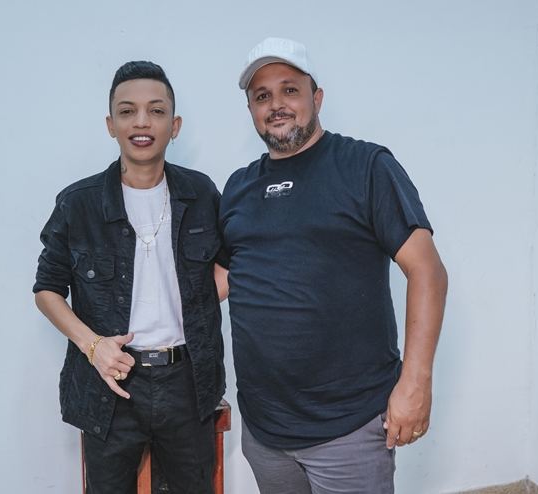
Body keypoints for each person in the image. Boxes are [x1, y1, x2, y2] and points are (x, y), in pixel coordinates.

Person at [216, 38, 448, 494]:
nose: (276, 105)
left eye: (290, 90)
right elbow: (223, 279)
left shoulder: (365, 166)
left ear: (317, 98)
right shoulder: (239, 187)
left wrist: (416, 382)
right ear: (251, 109)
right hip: (264, 430)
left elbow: (427, 270)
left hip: (349, 427)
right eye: (262, 96)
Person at [33, 61, 225, 494]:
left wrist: (189, 306)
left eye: (156, 111)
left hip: (187, 381)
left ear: (174, 126)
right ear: (110, 125)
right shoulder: (78, 203)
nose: (141, 122)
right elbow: (47, 290)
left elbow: (228, 266)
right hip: (111, 382)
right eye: (127, 111)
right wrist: (94, 346)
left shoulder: (202, 194)